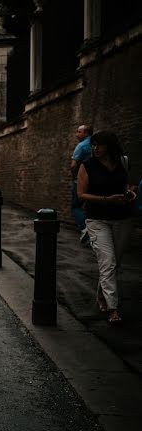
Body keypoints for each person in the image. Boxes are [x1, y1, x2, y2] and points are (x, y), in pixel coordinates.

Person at [76, 131, 136, 325]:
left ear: (109, 146)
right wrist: (106, 200)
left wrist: (129, 192)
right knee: (108, 261)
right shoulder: (87, 166)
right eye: (93, 145)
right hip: (97, 219)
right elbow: (81, 195)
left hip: (122, 218)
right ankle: (113, 308)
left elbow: (128, 183)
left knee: (114, 263)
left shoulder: (122, 162)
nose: (95, 148)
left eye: (99, 145)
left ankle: (102, 295)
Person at [70, 124, 93, 243]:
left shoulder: (81, 146)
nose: (76, 134)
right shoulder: (95, 145)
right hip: (95, 180)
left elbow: (74, 165)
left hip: (82, 180)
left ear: (86, 133)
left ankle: (84, 228)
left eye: (79, 132)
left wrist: (75, 179)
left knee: (76, 206)